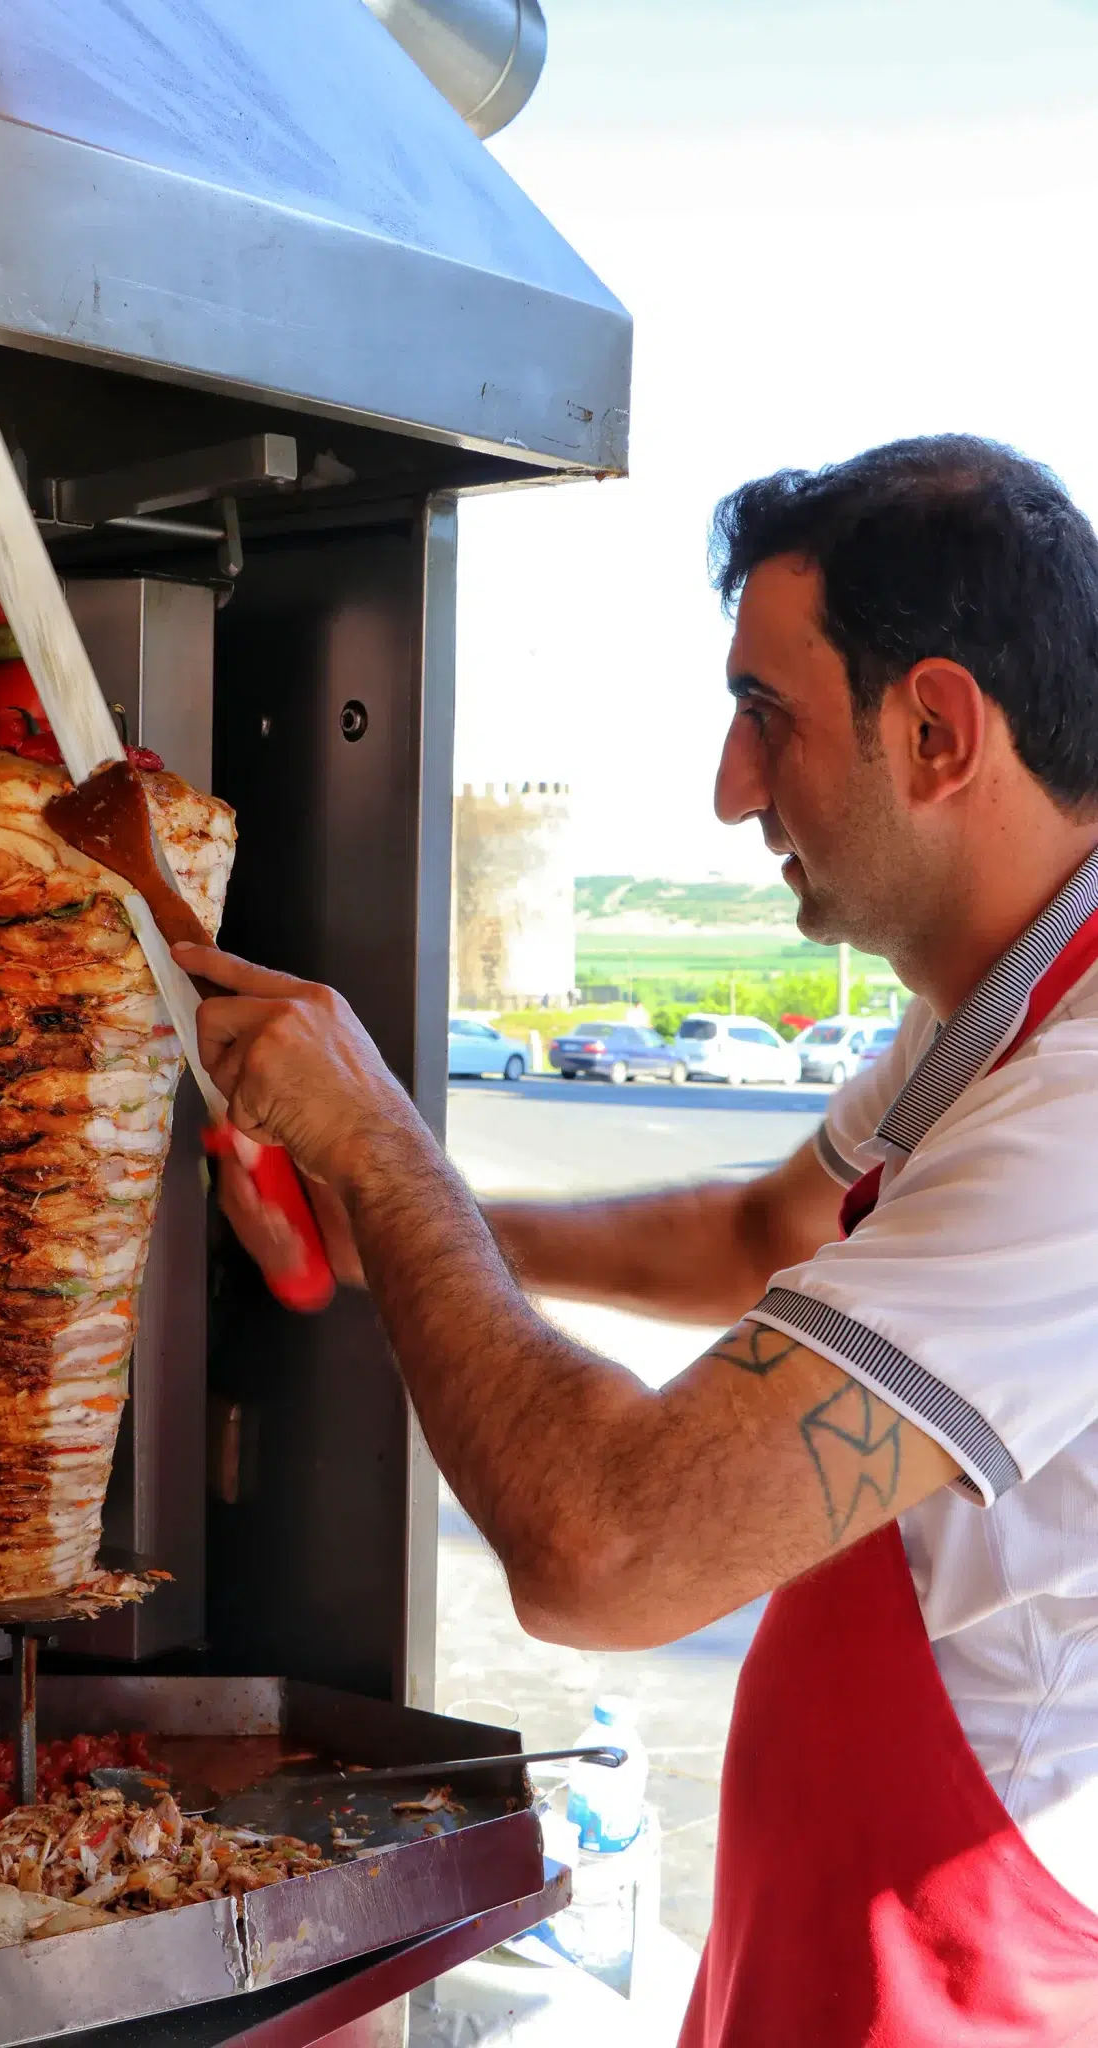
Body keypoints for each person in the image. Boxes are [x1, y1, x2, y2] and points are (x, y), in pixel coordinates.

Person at [176, 436, 1098, 2045]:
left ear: (939, 731)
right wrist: (394, 1223)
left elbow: (610, 1550)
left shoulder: (1078, 1117)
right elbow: (763, 1229)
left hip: (968, 1980)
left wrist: (392, 1158)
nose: (730, 790)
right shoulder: (1000, 1008)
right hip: (824, 1929)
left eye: (767, 716)